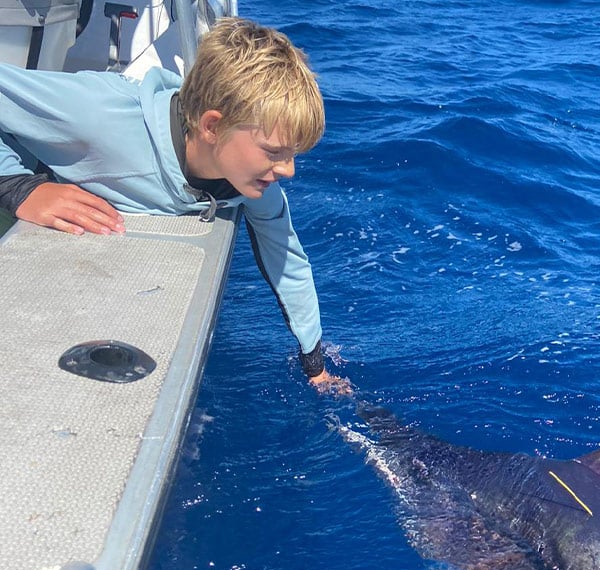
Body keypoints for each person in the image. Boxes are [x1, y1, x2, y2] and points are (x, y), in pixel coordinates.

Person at [0, 17, 350, 394]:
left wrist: (314, 364)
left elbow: (287, 259)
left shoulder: (255, 183)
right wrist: (19, 186)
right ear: (212, 127)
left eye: (293, 154)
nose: (288, 170)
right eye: (274, 152)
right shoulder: (100, 115)